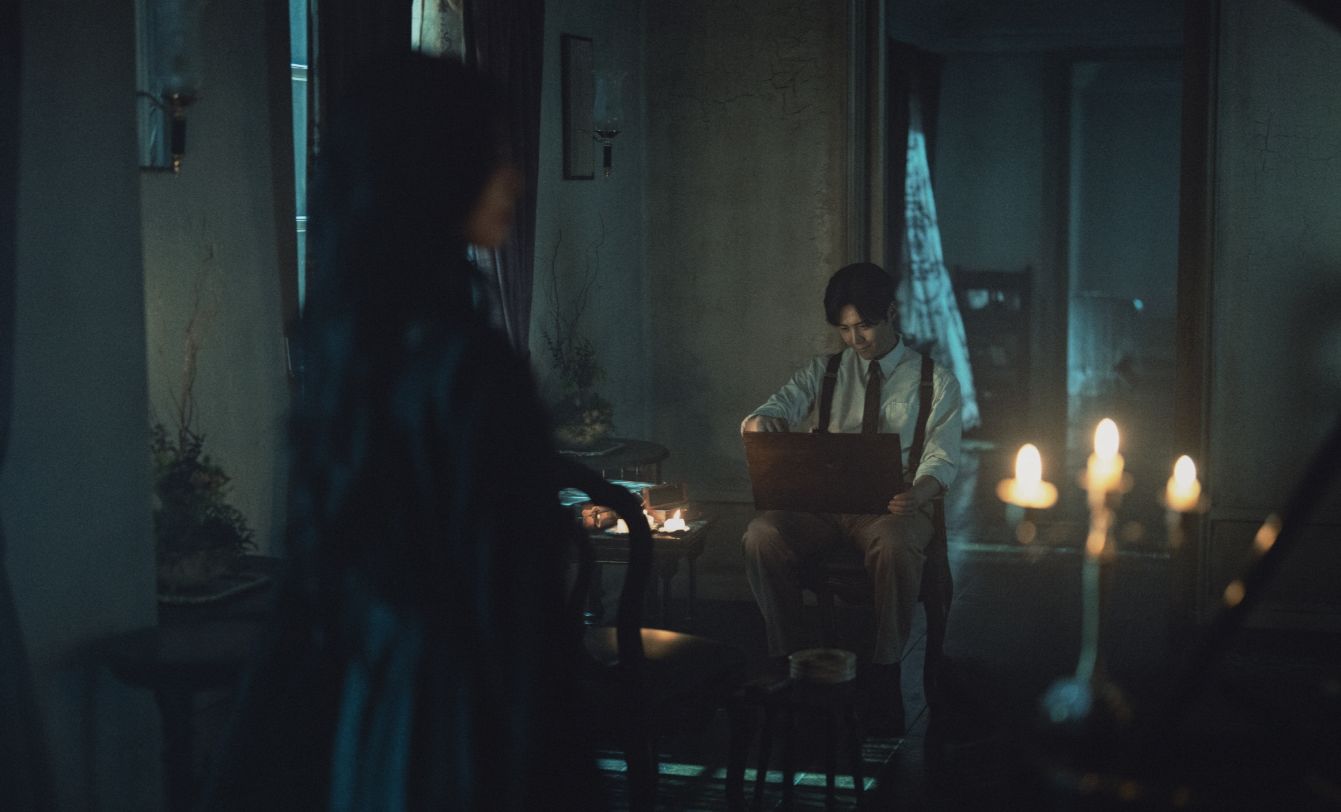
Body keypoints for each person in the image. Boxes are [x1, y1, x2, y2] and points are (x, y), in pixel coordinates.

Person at [205, 56, 598, 809]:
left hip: (367, 710)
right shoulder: (468, 367)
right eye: (492, 155)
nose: (514, 180)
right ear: (436, 169)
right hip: (456, 723)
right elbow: (519, 618)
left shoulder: (351, 354)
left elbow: (314, 584)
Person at [740, 262, 962, 733]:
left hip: (894, 508)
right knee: (761, 535)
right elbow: (774, 408)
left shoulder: (934, 379)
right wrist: (761, 421)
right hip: (823, 507)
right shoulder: (823, 371)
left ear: (891, 313)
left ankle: (885, 669)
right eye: (844, 329)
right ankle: (790, 658)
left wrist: (918, 491)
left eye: (864, 326)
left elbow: (943, 457)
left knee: (896, 544)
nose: (855, 339)